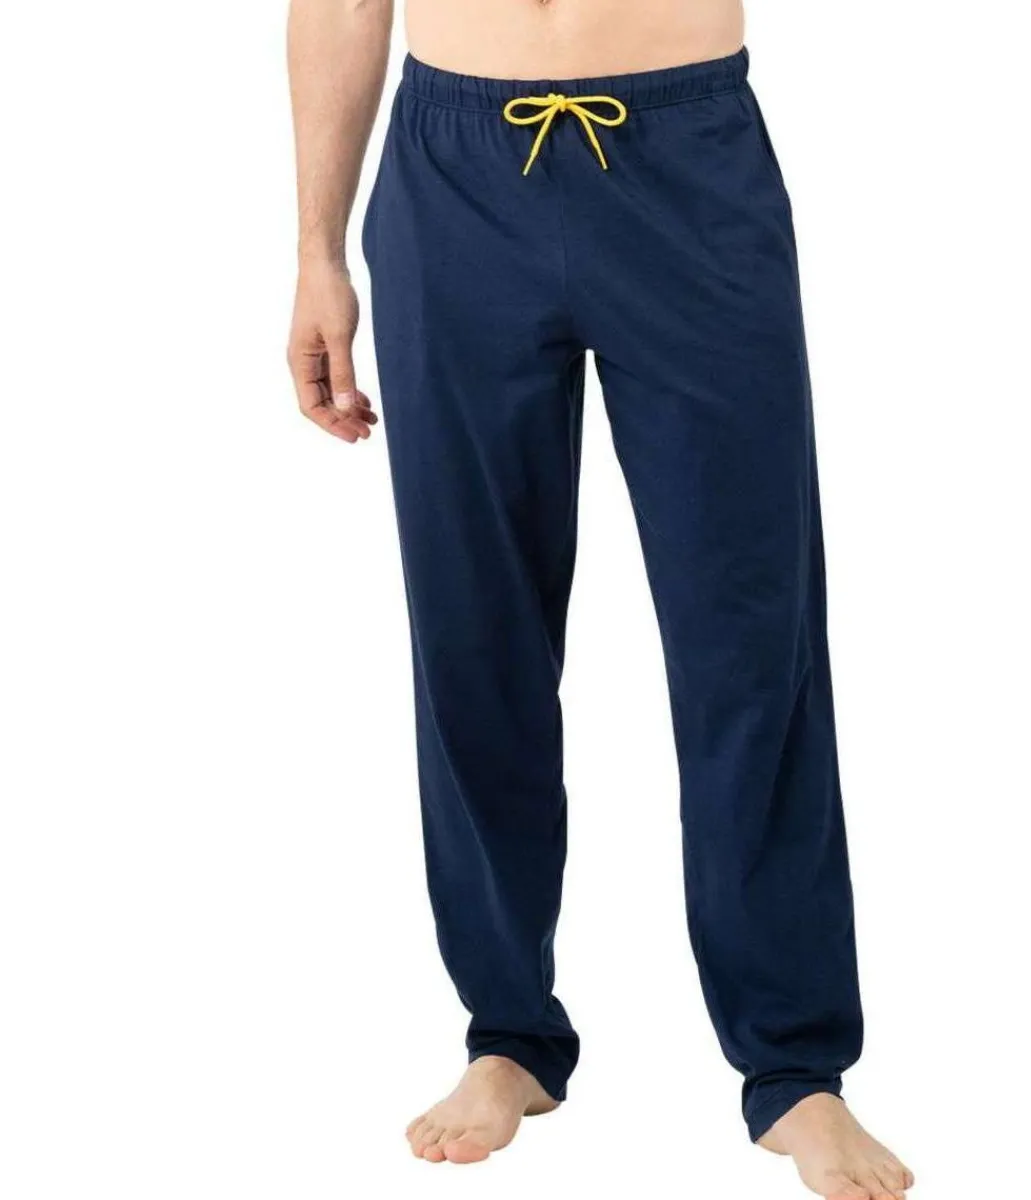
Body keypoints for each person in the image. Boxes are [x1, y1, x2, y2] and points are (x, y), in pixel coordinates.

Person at [286, 2, 913, 1196]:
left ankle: (795, 1068)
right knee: (472, 628)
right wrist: (318, 251)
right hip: (453, 169)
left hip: (686, 154)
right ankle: (507, 1035)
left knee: (748, 633)